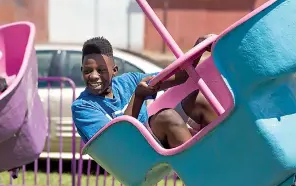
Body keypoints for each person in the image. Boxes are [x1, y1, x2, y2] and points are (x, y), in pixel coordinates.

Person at [71, 35, 218, 149]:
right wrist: (138, 96)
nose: (94, 76)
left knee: (199, 100)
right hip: (134, 153)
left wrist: (198, 47)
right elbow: (119, 141)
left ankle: (225, 150)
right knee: (167, 117)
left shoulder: (129, 81)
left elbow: (180, 76)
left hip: (152, 137)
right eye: (88, 71)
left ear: (114, 71)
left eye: (101, 70)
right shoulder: (82, 106)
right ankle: (200, 168)